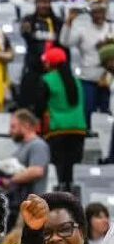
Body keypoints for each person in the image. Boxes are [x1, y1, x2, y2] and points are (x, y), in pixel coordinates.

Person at [36, 46, 87, 192]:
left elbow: (40, 107)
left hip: (57, 129)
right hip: (78, 129)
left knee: (59, 170)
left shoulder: (46, 80)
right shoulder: (77, 81)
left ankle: (60, 199)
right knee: (73, 170)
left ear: (50, 63)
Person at [60, 1, 114, 124]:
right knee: (87, 111)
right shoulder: (83, 30)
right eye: (96, 12)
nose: (99, 15)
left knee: (108, 112)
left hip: (109, 79)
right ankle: (87, 133)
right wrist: (69, 22)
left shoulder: (111, 28)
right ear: (91, 14)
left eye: (101, 12)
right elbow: (65, 42)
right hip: (88, 78)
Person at [19, 0, 62, 111]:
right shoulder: (29, 20)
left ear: (50, 3)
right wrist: (25, 30)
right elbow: (25, 34)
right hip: (33, 71)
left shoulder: (57, 22)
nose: (43, 5)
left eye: (46, 2)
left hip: (53, 73)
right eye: (40, 1)